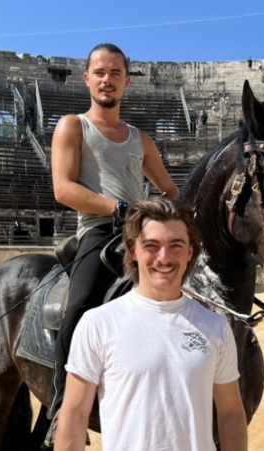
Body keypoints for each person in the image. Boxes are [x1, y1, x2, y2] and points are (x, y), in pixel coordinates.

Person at [47, 43, 179, 445]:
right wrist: (116, 208)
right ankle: (60, 409)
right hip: (99, 232)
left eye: (115, 73)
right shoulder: (73, 126)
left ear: (127, 82)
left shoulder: (142, 140)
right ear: (87, 79)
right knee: (81, 304)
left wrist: (162, 215)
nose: (107, 79)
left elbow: (170, 189)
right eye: (100, 72)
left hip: (141, 233)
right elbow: (63, 188)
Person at [55, 198, 247, 451]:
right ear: (133, 250)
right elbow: (75, 414)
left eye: (176, 245)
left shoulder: (215, 326)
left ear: (190, 251)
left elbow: (231, 413)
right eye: (151, 246)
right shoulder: (98, 324)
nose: (164, 258)